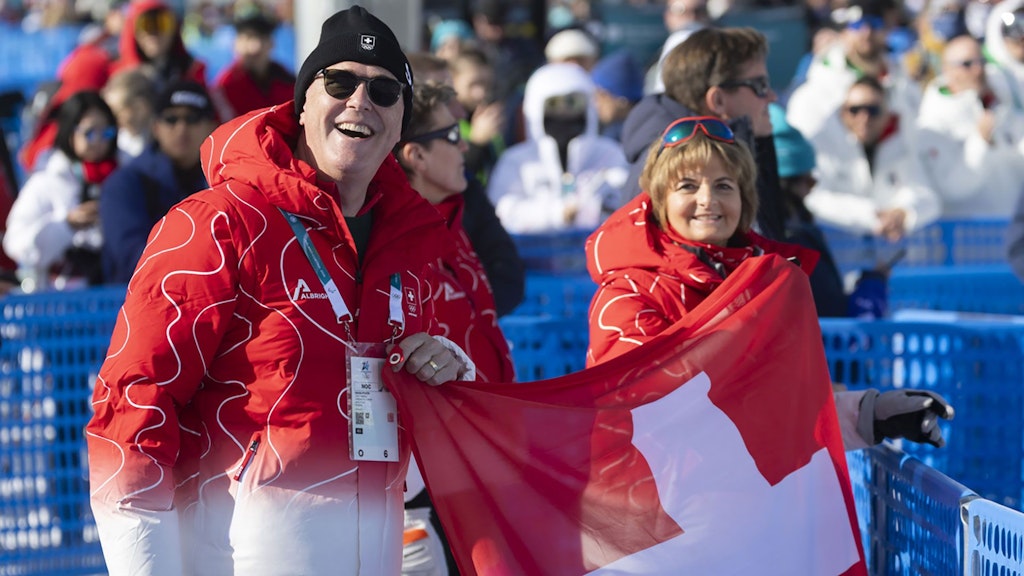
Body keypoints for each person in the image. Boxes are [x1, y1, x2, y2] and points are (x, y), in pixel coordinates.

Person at [86, 6, 475, 575]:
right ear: (301, 103)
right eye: (340, 82)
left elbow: (404, 458)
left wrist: (445, 378)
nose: (361, 102)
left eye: (386, 91)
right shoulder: (220, 222)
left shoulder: (409, 247)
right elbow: (133, 403)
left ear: (399, 123)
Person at [585, 115, 953, 451]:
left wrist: (870, 415)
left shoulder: (764, 286)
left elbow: (785, 408)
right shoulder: (629, 294)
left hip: (751, 507)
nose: (708, 199)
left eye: (724, 185)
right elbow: (647, 415)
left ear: (745, 201)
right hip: (666, 514)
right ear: (659, 201)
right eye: (687, 185)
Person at [393, 81, 517, 576]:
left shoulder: (455, 221)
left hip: (485, 450)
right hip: (431, 477)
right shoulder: (396, 241)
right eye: (452, 134)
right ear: (417, 155)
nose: (466, 145)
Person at [620, 26, 788, 241]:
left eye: (723, 186)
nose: (772, 96)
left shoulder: (739, 147)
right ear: (717, 100)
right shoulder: (668, 161)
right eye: (760, 85)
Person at [487, 62, 628, 233]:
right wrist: (556, 214)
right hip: (533, 257)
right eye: (553, 104)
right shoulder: (517, 161)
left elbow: (623, 202)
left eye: (572, 102)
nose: (564, 112)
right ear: (535, 108)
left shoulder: (610, 153)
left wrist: (592, 209)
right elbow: (502, 211)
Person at [99, 81, 217, 284]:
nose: (182, 128)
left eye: (193, 118)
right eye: (171, 119)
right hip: (133, 306)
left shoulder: (223, 184)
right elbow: (133, 259)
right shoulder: (124, 185)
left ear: (212, 126)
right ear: (156, 127)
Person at [5, 90, 121, 289]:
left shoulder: (123, 176)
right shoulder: (46, 181)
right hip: (59, 300)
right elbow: (15, 243)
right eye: (90, 133)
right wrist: (66, 225)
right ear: (69, 132)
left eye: (107, 132)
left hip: (112, 294)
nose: (100, 141)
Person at [807, 76, 941, 241]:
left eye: (873, 110)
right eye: (854, 110)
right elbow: (813, 199)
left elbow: (927, 197)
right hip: (839, 255)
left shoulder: (903, 143)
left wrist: (904, 213)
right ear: (843, 112)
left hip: (892, 257)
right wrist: (871, 216)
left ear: (886, 112)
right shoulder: (824, 145)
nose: (864, 118)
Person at [916, 34, 1024, 218]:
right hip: (972, 232)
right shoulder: (933, 121)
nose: (978, 69)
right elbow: (952, 188)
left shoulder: (997, 91)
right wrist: (981, 140)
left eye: (981, 61)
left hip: (1014, 221)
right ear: (947, 70)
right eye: (967, 64)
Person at [786, 0, 922, 140]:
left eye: (875, 23)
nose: (866, 33)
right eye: (857, 25)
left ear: (888, 29)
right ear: (844, 32)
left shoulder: (902, 78)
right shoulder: (820, 83)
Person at [110, 0, 208, 95]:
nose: (154, 33)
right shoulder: (118, 76)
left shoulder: (193, 70)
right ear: (133, 32)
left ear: (174, 29)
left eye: (162, 23)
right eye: (145, 24)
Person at [212, 10, 295, 119]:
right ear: (235, 44)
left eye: (262, 38)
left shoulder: (287, 81)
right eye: (248, 38)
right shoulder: (225, 86)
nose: (255, 47)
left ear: (272, 43)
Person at [101, 68, 157, 158]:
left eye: (117, 114)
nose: (113, 121)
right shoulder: (118, 143)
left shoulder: (166, 143)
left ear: (140, 108)